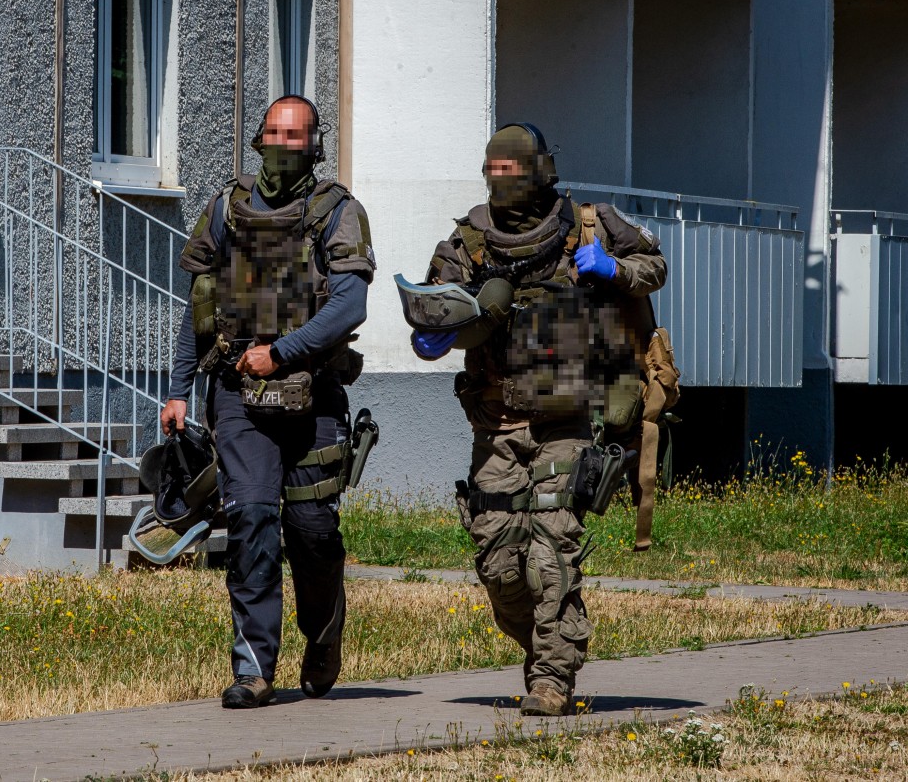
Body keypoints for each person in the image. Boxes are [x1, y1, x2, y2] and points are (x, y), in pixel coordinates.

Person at [405, 123, 666, 716]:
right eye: (496, 172)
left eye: (515, 172)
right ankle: (548, 648)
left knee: (552, 550)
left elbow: (655, 265)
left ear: (543, 170)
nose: (505, 183)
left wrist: (613, 270)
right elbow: (432, 305)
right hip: (496, 423)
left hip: (570, 418)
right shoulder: (470, 240)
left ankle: (552, 677)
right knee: (498, 563)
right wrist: (436, 325)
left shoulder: (589, 224)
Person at [159, 95, 376, 709]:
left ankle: (323, 637)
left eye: (295, 135)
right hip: (236, 397)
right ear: (258, 138)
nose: (283, 144)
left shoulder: (337, 211)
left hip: (315, 399)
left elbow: (349, 307)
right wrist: (177, 389)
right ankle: (253, 670)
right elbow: (200, 309)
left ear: (315, 144)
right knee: (252, 523)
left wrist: (281, 353)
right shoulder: (226, 208)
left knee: (311, 532)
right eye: (273, 133)